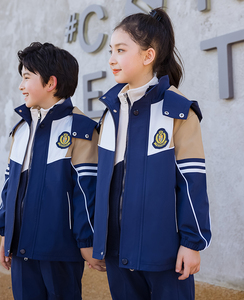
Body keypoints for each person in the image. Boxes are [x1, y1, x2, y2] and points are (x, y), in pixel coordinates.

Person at [91, 8, 212, 300]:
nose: (112, 59)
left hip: (164, 255)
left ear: (148, 56)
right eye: (111, 50)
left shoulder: (178, 110)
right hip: (117, 252)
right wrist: (99, 242)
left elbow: (191, 182)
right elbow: (101, 183)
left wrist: (192, 243)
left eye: (121, 50)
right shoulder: (109, 113)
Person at [0, 42, 105, 300]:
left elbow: (86, 192)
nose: (21, 86)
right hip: (21, 248)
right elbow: (9, 186)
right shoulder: (21, 130)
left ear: (50, 83)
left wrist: (86, 242)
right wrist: (6, 233)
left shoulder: (81, 129)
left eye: (26, 77)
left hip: (60, 250)